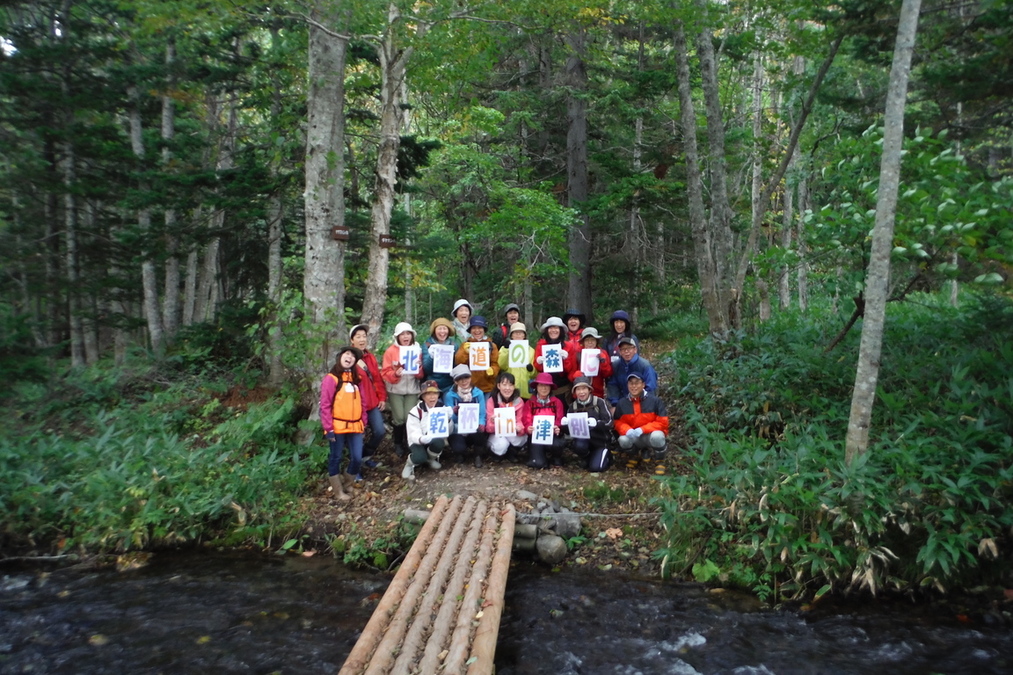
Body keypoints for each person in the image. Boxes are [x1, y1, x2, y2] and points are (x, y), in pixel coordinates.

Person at [319, 346, 368, 501]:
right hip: (337, 426)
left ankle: (348, 484)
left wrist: (364, 422)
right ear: (340, 356)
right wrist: (328, 428)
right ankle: (338, 491)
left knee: (357, 458)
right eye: (347, 354)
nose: (350, 357)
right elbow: (325, 405)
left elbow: (363, 403)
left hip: (355, 425)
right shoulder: (331, 379)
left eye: (353, 356)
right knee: (336, 457)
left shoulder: (356, 380)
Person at [381, 322, 425, 458]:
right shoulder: (391, 351)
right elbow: (385, 371)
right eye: (402, 334)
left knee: (409, 417)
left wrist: (419, 369)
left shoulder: (418, 350)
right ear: (397, 337)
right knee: (399, 418)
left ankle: (410, 442)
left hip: (412, 388)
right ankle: (398, 442)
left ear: (412, 336)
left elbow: (421, 374)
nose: (405, 337)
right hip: (395, 389)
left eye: (408, 334)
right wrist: (395, 374)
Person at [613, 372, 669, 475]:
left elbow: (663, 422)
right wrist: (627, 430)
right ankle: (634, 455)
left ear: (643, 385)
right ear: (627, 385)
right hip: (634, 436)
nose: (634, 386)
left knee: (658, 436)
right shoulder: (622, 403)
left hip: (649, 435)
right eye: (631, 383)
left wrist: (643, 429)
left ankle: (660, 461)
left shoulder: (655, 401)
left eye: (637, 383)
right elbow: (617, 422)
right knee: (623, 439)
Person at [349, 324, 387, 471]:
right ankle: (355, 468)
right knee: (358, 436)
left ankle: (366, 457)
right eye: (358, 336)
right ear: (352, 340)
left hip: (372, 403)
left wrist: (382, 397)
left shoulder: (369, 357)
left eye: (364, 336)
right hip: (356, 406)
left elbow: (377, 378)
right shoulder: (348, 358)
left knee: (379, 431)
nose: (362, 339)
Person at [563, 375, 613, 472]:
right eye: (578, 389)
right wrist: (565, 425)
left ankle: (606, 455)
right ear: (575, 392)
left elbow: (610, 423)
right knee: (579, 446)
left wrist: (597, 424)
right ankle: (586, 457)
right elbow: (570, 432)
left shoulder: (599, 402)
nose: (581, 392)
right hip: (583, 442)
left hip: (600, 442)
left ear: (589, 390)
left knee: (596, 468)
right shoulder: (572, 407)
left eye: (584, 388)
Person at [402, 380, 448, 481]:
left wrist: (449, 417)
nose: (432, 397)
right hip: (417, 440)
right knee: (419, 457)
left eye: (435, 393)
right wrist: (421, 438)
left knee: (439, 443)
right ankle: (409, 464)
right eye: (428, 394)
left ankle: (430, 459)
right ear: (423, 396)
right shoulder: (415, 411)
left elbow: (445, 428)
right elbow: (412, 432)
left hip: (432, 437)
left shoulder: (441, 408)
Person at [444, 364, 488, 467]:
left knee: (480, 432)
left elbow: (482, 413)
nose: (464, 381)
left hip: (473, 426)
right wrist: (454, 412)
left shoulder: (479, 393)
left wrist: (481, 423)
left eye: (466, 377)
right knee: (458, 447)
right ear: (455, 381)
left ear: (470, 377)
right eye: (460, 379)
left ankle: (478, 455)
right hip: (458, 428)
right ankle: (460, 453)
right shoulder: (450, 395)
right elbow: (449, 418)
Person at [485, 372, 530, 462]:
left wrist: (519, 428)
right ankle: (496, 454)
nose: (507, 388)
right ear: (498, 386)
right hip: (496, 433)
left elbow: (520, 420)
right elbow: (488, 427)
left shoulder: (519, 401)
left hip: (511, 430)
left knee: (522, 438)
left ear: (514, 386)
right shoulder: (492, 400)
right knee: (501, 445)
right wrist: (493, 422)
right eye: (504, 385)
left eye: (510, 385)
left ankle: (511, 452)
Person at [524, 372, 566, 468]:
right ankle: (540, 456)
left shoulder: (557, 402)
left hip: (551, 436)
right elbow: (526, 419)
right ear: (536, 387)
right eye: (541, 385)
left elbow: (559, 419)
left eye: (547, 386)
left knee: (558, 444)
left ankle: (556, 457)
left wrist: (557, 427)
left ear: (551, 388)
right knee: (538, 464)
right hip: (536, 436)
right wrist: (528, 428)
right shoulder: (530, 403)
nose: (544, 388)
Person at [607, 336, 658, 408]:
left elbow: (651, 387)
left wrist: (646, 404)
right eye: (623, 349)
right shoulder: (616, 365)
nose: (626, 351)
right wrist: (615, 404)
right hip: (623, 402)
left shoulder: (645, 365)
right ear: (620, 352)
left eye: (629, 348)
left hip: (642, 402)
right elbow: (613, 385)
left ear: (635, 349)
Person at [454, 315, 500, 394]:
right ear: (470, 330)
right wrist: (464, 352)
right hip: (469, 387)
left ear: (484, 329)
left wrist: (492, 370)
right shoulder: (466, 344)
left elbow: (496, 364)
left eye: (480, 328)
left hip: (487, 387)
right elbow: (459, 362)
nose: (477, 331)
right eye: (474, 328)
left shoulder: (492, 345)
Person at [565, 327, 613, 398]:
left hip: (597, 392)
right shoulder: (577, 354)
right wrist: (576, 376)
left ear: (596, 341)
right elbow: (570, 374)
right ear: (583, 342)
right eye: (587, 340)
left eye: (592, 340)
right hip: (580, 393)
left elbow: (608, 374)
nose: (590, 342)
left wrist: (603, 363)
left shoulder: (603, 353)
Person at [533, 317, 572, 399]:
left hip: (563, 386)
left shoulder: (568, 346)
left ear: (560, 330)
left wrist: (566, 359)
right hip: (545, 385)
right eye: (550, 328)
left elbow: (570, 369)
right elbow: (537, 367)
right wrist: (539, 362)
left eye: (556, 328)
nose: (553, 330)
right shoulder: (541, 344)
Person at [422, 317, 461, 393]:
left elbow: (457, 366)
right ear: (434, 331)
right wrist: (432, 357)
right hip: (432, 385)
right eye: (439, 329)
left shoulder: (454, 345)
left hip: (449, 385)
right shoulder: (427, 345)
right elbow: (426, 369)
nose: (442, 331)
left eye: (444, 329)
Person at [497, 322, 535, 399]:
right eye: (515, 332)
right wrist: (506, 350)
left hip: (526, 391)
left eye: (520, 332)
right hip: (510, 390)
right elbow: (501, 366)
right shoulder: (505, 348)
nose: (518, 334)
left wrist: (531, 370)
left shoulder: (531, 350)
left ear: (524, 335)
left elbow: (534, 374)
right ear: (511, 335)